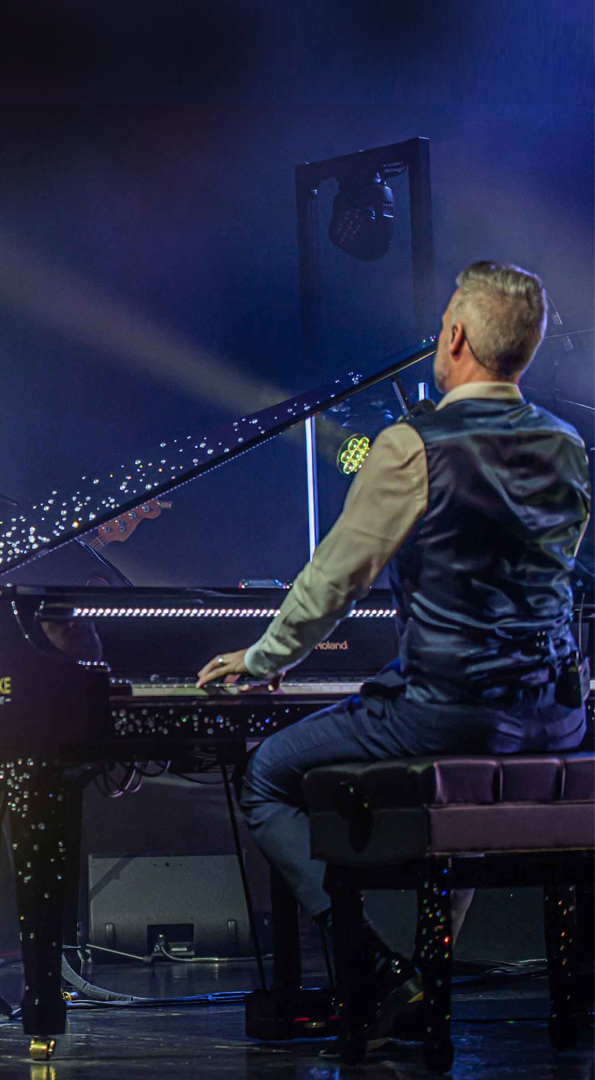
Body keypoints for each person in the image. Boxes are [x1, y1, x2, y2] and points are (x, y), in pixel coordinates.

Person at [198, 262, 590, 1039]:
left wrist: (264, 659)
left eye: (444, 321)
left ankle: (377, 969)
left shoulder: (414, 446)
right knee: (464, 790)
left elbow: (335, 578)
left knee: (267, 773)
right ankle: (419, 979)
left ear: (456, 337)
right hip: (556, 716)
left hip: (450, 711)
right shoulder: (568, 444)